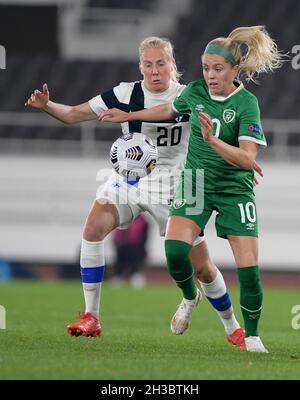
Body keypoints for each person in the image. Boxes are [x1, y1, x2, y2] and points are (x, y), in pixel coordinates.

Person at [25, 36, 258, 348]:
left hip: (178, 184)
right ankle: (91, 317)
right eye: (148, 65)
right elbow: (72, 115)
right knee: (93, 228)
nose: (154, 71)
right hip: (131, 179)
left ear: (172, 65)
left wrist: (239, 166)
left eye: (161, 63)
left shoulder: (191, 94)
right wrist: (46, 106)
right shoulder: (125, 93)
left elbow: (215, 138)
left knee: (201, 267)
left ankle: (232, 327)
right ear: (140, 67)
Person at [99, 27, 284, 352]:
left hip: (233, 190)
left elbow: (246, 159)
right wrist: (129, 115)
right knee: (174, 252)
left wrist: (214, 142)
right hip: (196, 183)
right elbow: (169, 110)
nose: (210, 76)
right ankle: (189, 297)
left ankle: (252, 335)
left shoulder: (246, 104)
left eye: (218, 69)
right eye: (206, 68)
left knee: (249, 271)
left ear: (234, 70)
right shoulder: (195, 92)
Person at [112, 214, 149, 287]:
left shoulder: (143, 221)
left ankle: (135, 279)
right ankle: (118, 278)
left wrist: (141, 247)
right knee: (120, 264)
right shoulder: (122, 219)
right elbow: (117, 233)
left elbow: (145, 236)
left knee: (135, 265)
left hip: (136, 247)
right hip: (122, 246)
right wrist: (117, 243)